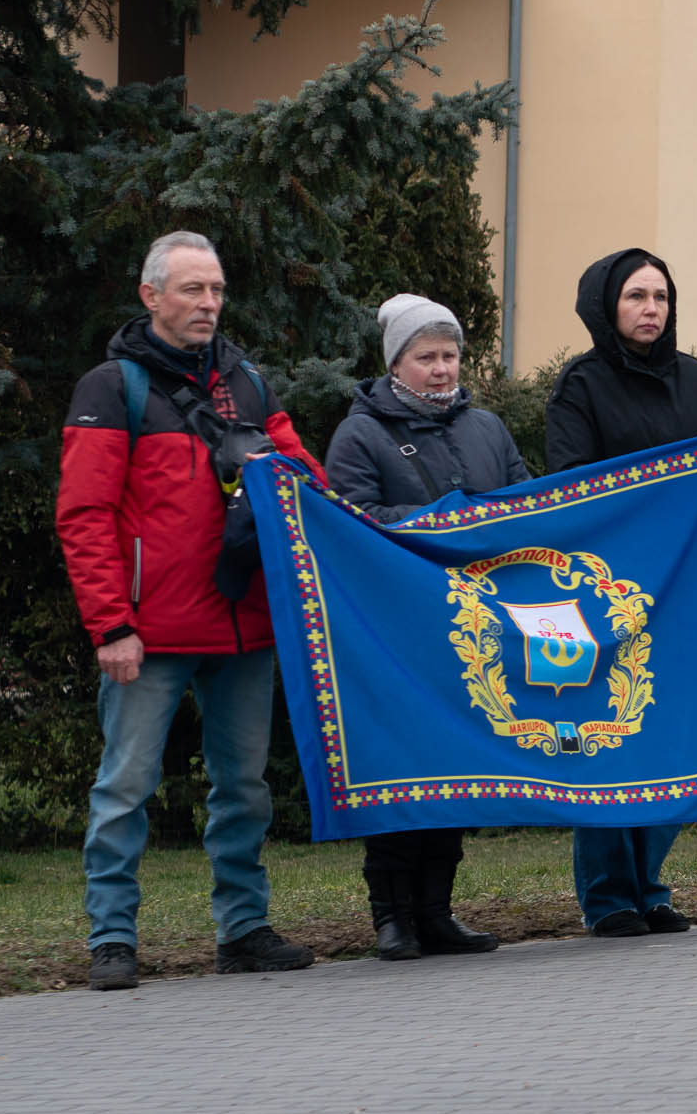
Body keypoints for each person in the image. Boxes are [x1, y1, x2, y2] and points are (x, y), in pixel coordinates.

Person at [56, 230, 321, 991]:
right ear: (150, 295)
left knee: (244, 787)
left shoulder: (247, 381)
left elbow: (304, 477)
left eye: (216, 290)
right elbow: (84, 515)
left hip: (243, 623)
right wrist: (111, 624)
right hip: (150, 632)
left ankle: (243, 928)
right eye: (191, 290)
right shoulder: (112, 388)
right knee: (126, 786)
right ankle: (112, 937)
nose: (208, 304)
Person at [544, 249, 697, 936]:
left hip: (684, 592)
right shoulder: (579, 386)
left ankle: (651, 885)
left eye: (661, 296)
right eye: (636, 296)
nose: (651, 308)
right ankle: (608, 894)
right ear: (606, 306)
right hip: (606, 594)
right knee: (611, 739)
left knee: (673, 736)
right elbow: (569, 484)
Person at [323, 295, 530, 960]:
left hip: (473, 630)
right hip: (395, 631)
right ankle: (392, 915)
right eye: (427, 357)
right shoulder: (360, 435)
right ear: (396, 364)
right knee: (401, 766)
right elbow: (353, 518)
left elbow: (528, 504)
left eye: (450, 355)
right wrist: (447, 520)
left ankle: (438, 910)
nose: (442, 369)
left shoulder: (488, 428)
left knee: (456, 762)